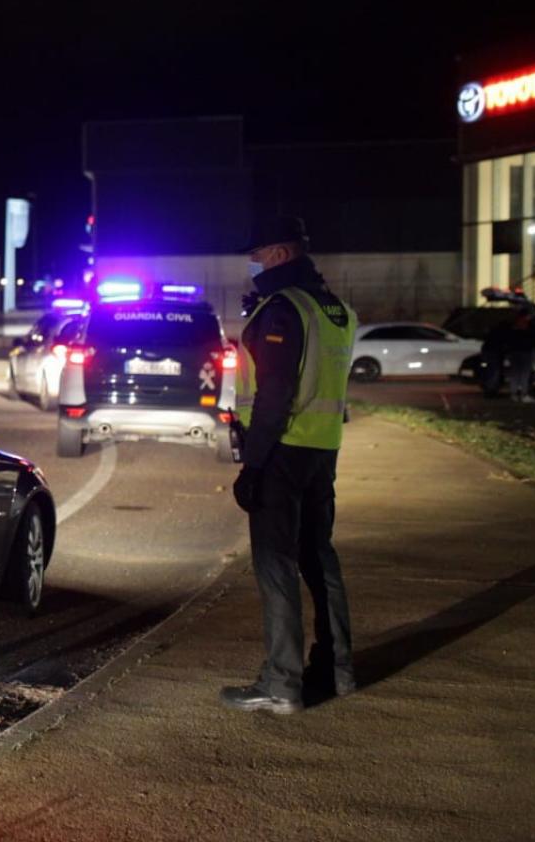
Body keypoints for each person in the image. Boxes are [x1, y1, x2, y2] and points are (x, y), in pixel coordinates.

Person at [224, 216, 358, 715]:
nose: (251, 262)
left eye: (256, 253)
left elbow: (275, 395)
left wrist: (253, 466)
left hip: (282, 452)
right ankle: (337, 669)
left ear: (279, 254)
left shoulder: (282, 309)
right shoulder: (336, 309)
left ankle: (282, 682)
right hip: (324, 450)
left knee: (275, 565)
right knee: (319, 559)